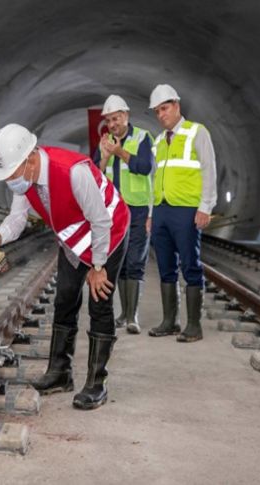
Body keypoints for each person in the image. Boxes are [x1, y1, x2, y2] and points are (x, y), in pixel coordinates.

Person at [0, 123, 129, 410]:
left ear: (31, 159)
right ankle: (60, 373)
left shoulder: (73, 171)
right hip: (74, 239)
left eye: (12, 173)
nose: (10, 181)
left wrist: (98, 267)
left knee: (100, 300)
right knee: (65, 298)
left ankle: (97, 383)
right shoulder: (24, 179)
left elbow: (100, 221)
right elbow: (17, 218)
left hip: (109, 233)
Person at [146, 84, 217, 343]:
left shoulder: (197, 132)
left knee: (190, 266)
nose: (161, 115)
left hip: (187, 211)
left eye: (164, 108)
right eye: (157, 112)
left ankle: (194, 325)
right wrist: (152, 214)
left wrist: (205, 207)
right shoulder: (158, 141)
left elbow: (209, 171)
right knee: (165, 267)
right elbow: (155, 180)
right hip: (163, 211)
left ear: (176, 105)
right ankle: (170, 321)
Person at [93, 94, 154, 334]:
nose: (112, 124)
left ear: (126, 116)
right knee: (119, 263)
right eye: (109, 120)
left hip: (137, 210)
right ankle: (123, 314)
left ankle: (133, 316)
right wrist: (106, 156)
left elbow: (144, 167)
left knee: (135, 261)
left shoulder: (142, 138)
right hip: (113, 212)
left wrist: (119, 152)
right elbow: (96, 175)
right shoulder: (104, 141)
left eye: (116, 118)